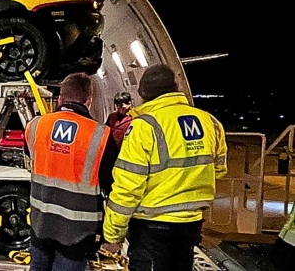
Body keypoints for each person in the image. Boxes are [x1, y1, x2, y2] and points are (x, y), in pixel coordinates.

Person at [102, 65, 228, 271]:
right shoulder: (210, 122)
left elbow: (128, 187)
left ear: (143, 95)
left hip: (152, 226)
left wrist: (113, 235)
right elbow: (219, 170)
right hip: (192, 222)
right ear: (175, 87)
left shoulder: (144, 126)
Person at [25, 73, 119, 271]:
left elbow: (31, 155)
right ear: (89, 101)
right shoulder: (101, 135)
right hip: (78, 230)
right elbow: (110, 182)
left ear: (60, 98)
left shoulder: (35, 126)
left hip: (40, 222)